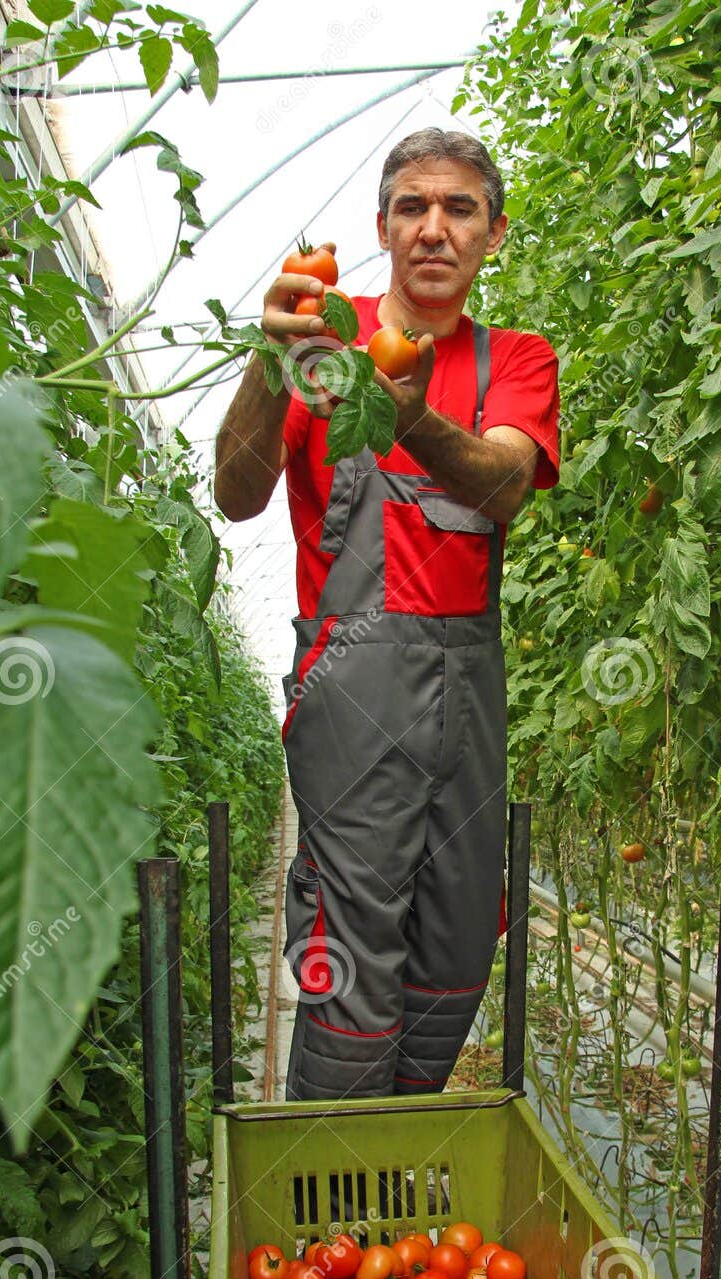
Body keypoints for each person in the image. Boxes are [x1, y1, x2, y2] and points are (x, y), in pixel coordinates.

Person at [214, 128, 560, 1100]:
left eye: (458, 209)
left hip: (467, 701)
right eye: (412, 207)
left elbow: (500, 484)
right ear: (380, 228)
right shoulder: (323, 342)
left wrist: (404, 412)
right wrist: (268, 360)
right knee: (349, 954)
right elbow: (237, 494)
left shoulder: (516, 361)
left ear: (492, 233)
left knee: (454, 952)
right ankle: (329, 1209)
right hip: (351, 689)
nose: (433, 229)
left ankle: (393, 1192)